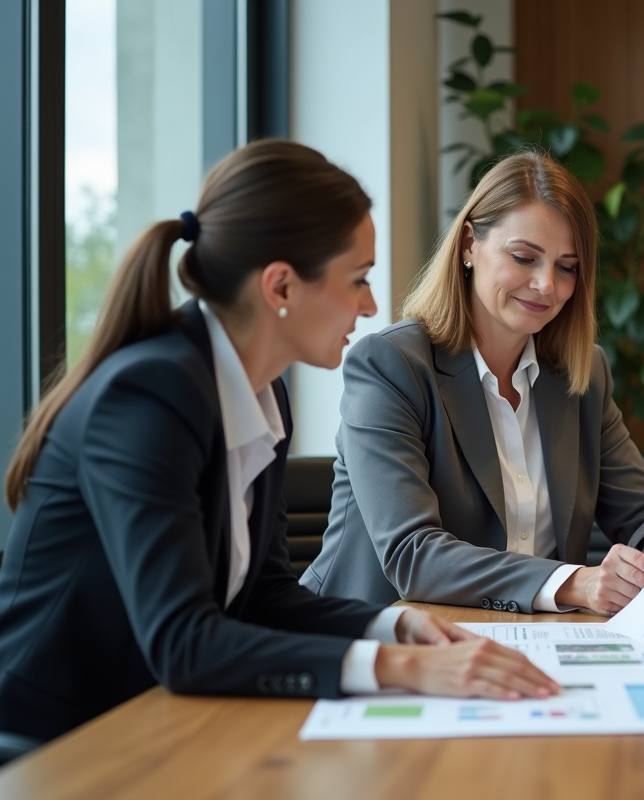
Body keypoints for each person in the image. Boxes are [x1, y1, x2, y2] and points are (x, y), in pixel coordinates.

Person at [0, 141, 558, 745]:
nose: (371, 305)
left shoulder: (261, 393)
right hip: (56, 741)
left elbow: (263, 595)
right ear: (281, 287)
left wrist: (397, 630)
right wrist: (399, 667)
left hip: (158, 721)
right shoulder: (148, 397)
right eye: (357, 279)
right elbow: (182, 641)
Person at [300, 150, 644, 615]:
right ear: (470, 244)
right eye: (524, 258)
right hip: (370, 638)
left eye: (566, 267)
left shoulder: (582, 375)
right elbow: (412, 555)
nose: (546, 285)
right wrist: (574, 583)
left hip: (526, 643)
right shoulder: (392, 365)